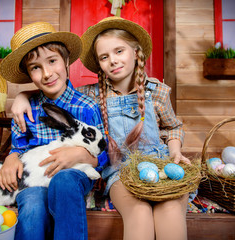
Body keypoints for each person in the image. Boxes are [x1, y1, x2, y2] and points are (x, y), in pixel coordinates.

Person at [11, 17, 191, 240]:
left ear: (136, 52)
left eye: (119, 51)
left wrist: (175, 152)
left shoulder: (158, 92)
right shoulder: (91, 95)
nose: (113, 61)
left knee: (171, 210)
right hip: (121, 173)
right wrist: (23, 95)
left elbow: (173, 127)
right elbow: (56, 92)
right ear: (98, 63)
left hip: (161, 163)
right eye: (104, 57)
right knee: (139, 212)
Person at [0, 22, 108, 240]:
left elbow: (104, 153)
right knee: (31, 203)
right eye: (35, 67)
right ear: (29, 74)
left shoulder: (86, 106)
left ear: (66, 61)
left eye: (52, 61)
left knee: (64, 181)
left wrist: (80, 155)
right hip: (37, 180)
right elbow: (19, 146)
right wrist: (11, 158)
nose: (47, 73)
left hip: (75, 176)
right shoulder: (26, 108)